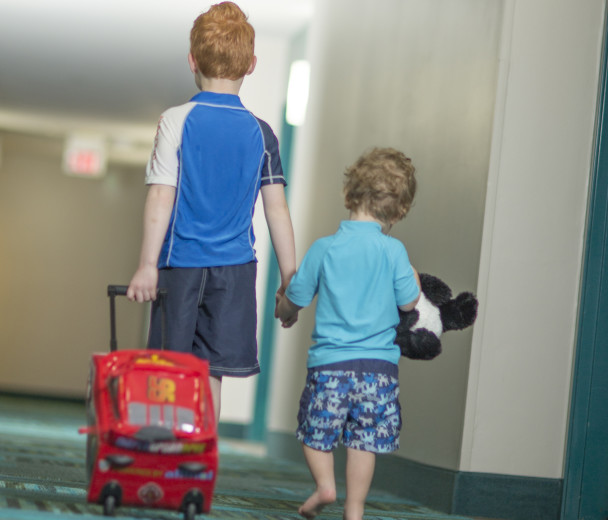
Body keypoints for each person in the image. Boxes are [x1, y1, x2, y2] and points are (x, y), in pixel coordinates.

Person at [126, 1, 296, 424]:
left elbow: (161, 197)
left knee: (166, 373)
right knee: (210, 377)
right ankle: (200, 465)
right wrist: (291, 282)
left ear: (192, 61)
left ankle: (164, 460)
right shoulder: (262, 134)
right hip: (234, 272)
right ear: (251, 65)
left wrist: (147, 265)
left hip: (180, 265)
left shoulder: (176, 121)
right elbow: (277, 211)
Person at [275, 147, 421, 520]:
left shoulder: (325, 248)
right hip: (378, 369)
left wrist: (285, 311)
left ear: (349, 194)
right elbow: (409, 303)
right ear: (398, 210)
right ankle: (354, 509)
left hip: (330, 367)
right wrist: (414, 279)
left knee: (314, 432)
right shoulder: (394, 251)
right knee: (364, 441)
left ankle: (325, 486)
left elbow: (296, 298)